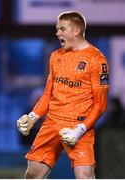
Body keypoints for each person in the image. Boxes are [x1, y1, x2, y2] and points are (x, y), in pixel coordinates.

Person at [17, 11, 109, 179]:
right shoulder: (55, 56)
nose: (58, 33)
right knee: (32, 175)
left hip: (79, 125)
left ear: (76, 31)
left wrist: (78, 131)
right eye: (57, 29)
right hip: (51, 123)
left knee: (85, 177)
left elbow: (101, 105)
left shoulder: (97, 60)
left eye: (62, 29)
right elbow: (47, 94)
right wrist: (32, 117)